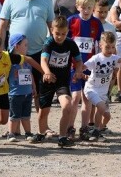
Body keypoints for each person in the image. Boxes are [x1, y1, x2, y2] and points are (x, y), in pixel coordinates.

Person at [0, 0, 55, 114]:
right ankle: (13, 126)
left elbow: (52, 27)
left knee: (40, 90)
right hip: (15, 54)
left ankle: (42, 128)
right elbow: (3, 26)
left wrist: (54, 48)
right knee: (14, 90)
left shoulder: (47, 0)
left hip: (39, 53)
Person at [31, 16, 83, 148]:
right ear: (52, 30)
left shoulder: (71, 44)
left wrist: (78, 70)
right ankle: (41, 133)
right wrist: (47, 72)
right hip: (48, 81)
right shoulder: (48, 43)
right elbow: (43, 60)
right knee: (44, 111)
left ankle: (62, 137)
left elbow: (79, 61)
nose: (60, 37)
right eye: (57, 34)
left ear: (67, 32)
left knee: (67, 106)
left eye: (63, 34)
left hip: (62, 82)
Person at [83, 32, 121, 141]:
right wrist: (77, 72)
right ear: (100, 45)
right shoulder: (96, 58)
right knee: (101, 107)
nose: (110, 50)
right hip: (91, 89)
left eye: (113, 47)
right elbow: (84, 66)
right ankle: (95, 130)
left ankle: (98, 130)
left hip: (103, 92)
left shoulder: (114, 58)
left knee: (107, 116)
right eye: (107, 47)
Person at [66, 0, 103, 141]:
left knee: (87, 98)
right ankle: (70, 127)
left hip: (89, 66)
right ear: (77, 7)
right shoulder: (71, 21)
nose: (86, 11)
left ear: (93, 8)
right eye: (83, 8)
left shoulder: (96, 23)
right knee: (75, 98)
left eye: (89, 8)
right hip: (74, 66)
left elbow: (100, 44)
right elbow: (65, 42)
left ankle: (84, 128)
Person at [5, 34, 36, 142]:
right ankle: (11, 133)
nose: (27, 47)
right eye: (25, 45)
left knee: (26, 115)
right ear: (17, 47)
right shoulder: (10, 63)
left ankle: (28, 133)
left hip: (27, 93)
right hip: (15, 93)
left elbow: (30, 75)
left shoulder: (27, 62)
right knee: (14, 115)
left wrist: (34, 88)